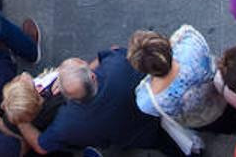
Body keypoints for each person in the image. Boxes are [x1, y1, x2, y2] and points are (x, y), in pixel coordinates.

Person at [36, 53, 172, 153]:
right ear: (93, 76)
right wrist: (84, 70)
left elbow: (42, 147)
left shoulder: (67, 123)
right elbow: (114, 51)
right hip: (164, 102)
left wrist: (21, 121)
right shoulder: (116, 66)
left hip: (145, 137)